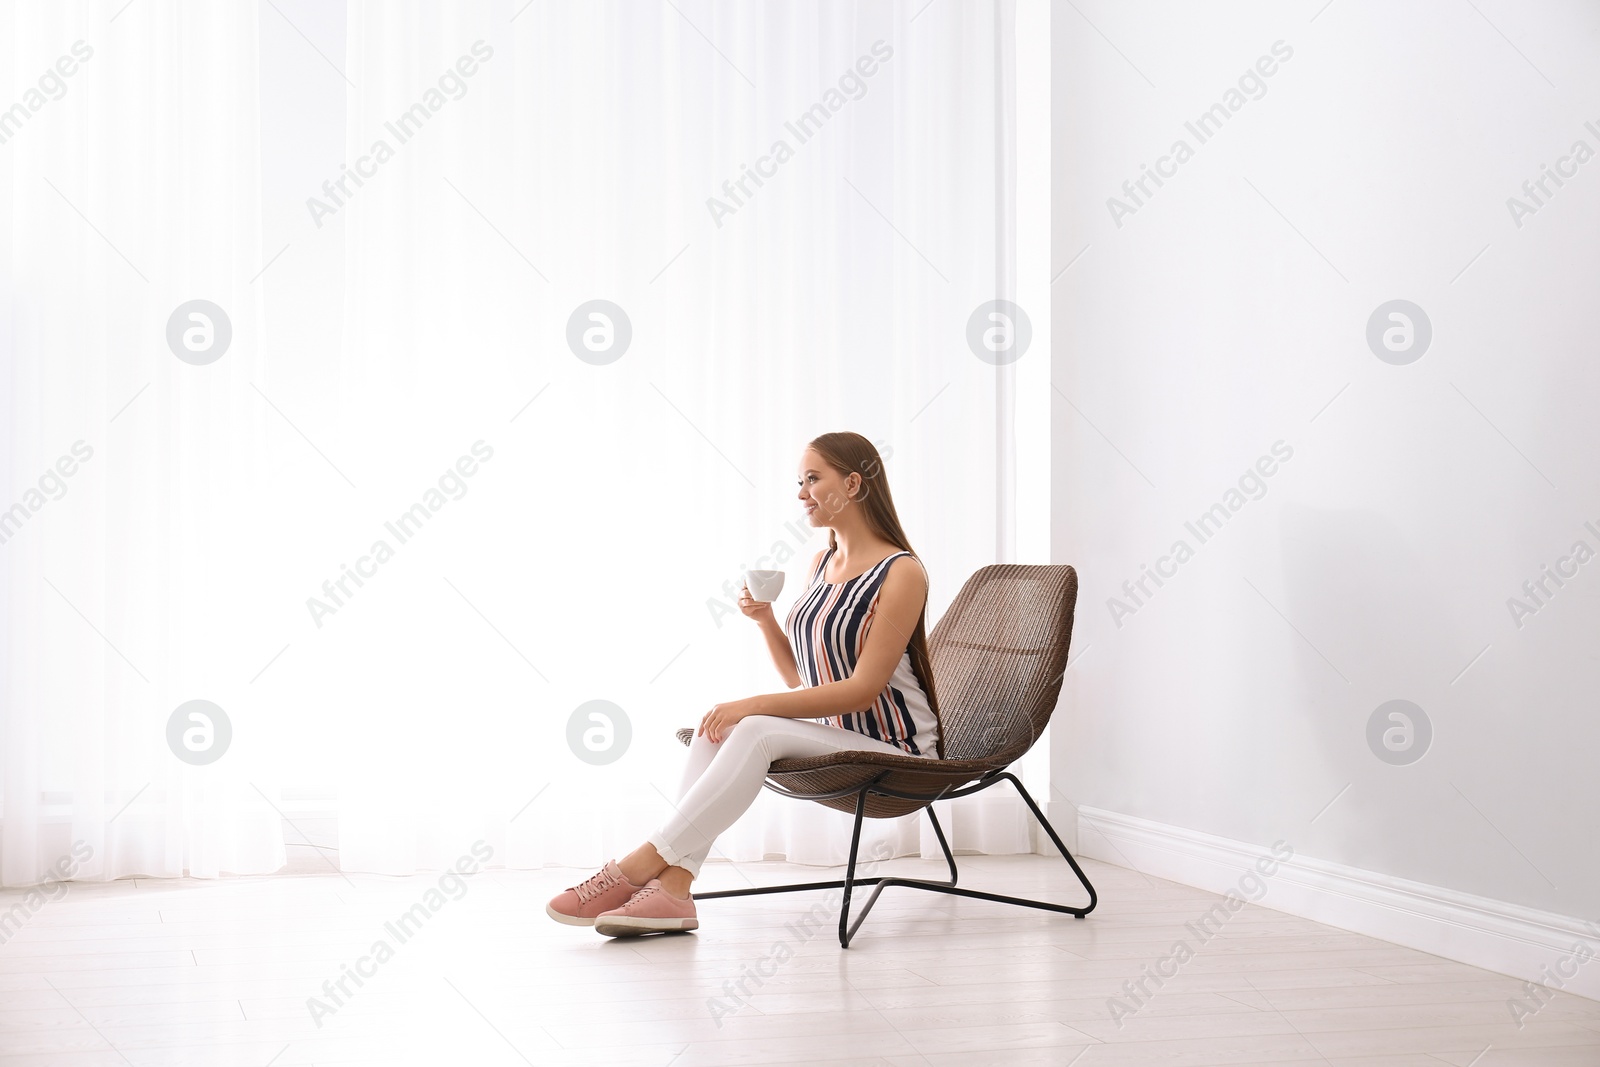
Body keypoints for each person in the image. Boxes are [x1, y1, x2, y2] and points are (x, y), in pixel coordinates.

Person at [546, 431, 945, 936]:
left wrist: (750, 706)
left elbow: (863, 690)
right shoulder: (822, 564)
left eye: (813, 479)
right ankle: (673, 892)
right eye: (799, 482)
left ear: (853, 483)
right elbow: (806, 678)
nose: (801, 494)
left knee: (751, 725)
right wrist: (765, 621)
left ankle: (637, 866)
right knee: (720, 726)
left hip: (899, 750)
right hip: (845, 735)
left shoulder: (902, 572)